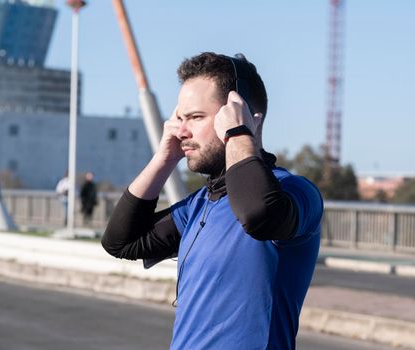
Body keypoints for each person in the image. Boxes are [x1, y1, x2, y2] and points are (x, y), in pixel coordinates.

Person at [101, 52, 323, 350]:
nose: (182, 130)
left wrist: (238, 135)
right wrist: (165, 158)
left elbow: (258, 214)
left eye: (195, 117)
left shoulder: (295, 192)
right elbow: (121, 242)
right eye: (180, 118)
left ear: (245, 116)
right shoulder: (199, 205)